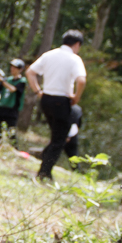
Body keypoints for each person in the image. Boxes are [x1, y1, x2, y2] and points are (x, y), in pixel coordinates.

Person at [26, 29, 87, 182]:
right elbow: (81, 80)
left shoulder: (49, 54)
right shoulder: (74, 59)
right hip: (62, 100)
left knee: (56, 137)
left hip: (46, 99)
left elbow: (30, 72)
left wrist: (38, 91)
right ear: (77, 44)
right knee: (59, 139)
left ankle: (45, 165)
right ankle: (44, 172)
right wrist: (76, 97)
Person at [0, 58, 27, 142]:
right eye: (12, 67)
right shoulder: (8, 79)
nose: (12, 69)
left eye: (15, 67)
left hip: (12, 110)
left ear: (20, 69)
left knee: (11, 133)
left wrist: (2, 80)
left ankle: (14, 149)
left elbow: (13, 89)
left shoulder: (22, 81)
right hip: (1, 107)